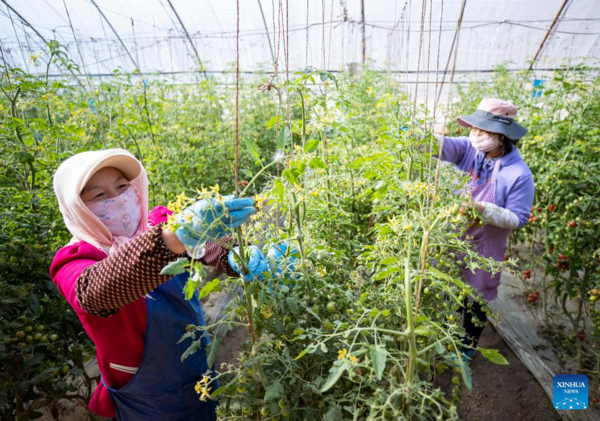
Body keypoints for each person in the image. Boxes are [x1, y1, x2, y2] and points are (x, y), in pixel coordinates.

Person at [49, 149, 275, 420]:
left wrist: (238, 253)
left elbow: (206, 244)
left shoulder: (158, 222)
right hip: (147, 397)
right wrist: (172, 239)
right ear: (77, 208)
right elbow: (94, 291)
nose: (118, 200)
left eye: (122, 187)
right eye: (99, 195)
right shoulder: (74, 260)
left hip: (198, 365)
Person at [435, 98, 535, 360]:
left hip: (484, 244)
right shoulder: (469, 151)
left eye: (483, 131)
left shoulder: (519, 174)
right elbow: (442, 146)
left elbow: (519, 218)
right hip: (454, 237)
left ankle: (467, 348)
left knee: (475, 299)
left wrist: (484, 210)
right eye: (474, 128)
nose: (475, 134)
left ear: (502, 136)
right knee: (449, 288)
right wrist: (417, 137)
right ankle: (445, 336)